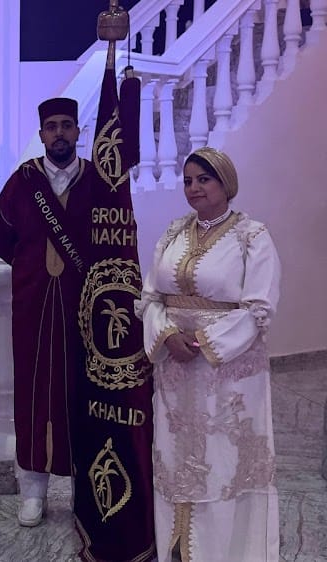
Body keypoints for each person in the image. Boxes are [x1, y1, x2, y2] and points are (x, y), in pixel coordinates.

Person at [137, 147, 280, 562]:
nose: (194, 188)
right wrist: (165, 335)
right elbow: (150, 297)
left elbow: (259, 308)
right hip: (175, 372)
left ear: (225, 183)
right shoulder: (173, 232)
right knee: (175, 457)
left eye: (204, 179)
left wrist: (202, 341)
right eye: (187, 180)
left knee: (222, 462)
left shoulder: (252, 236)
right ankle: (177, 548)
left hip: (227, 374)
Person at [0, 98, 95, 526]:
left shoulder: (96, 183)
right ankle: (32, 489)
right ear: (42, 134)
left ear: (78, 132)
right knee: (33, 394)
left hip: (82, 307)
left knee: (79, 393)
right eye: (52, 127)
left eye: (67, 126)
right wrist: (31, 268)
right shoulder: (23, 181)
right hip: (33, 304)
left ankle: (82, 492)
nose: (60, 134)